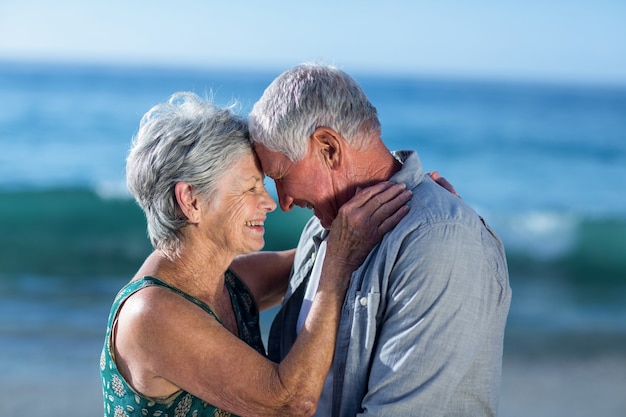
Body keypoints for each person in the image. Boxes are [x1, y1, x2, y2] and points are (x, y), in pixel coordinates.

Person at [100, 92, 412, 417]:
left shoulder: (229, 282)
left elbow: (335, 251)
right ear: (191, 200)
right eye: (250, 188)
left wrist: (412, 201)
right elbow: (291, 402)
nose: (270, 202)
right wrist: (338, 264)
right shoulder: (150, 315)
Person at [248, 63, 512, 417]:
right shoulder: (323, 231)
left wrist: (442, 221)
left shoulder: (440, 241)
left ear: (329, 148)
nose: (283, 202)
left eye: (281, 176)